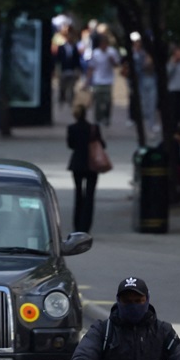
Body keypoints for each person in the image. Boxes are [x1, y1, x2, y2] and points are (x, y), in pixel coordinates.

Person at [67, 104, 103, 233]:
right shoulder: (94, 128)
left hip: (77, 164)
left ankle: (77, 225)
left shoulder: (72, 128)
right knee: (90, 195)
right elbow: (102, 144)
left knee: (78, 194)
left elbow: (70, 145)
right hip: (92, 164)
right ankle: (86, 226)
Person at [84, 33, 120, 127]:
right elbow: (91, 67)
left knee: (108, 101)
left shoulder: (112, 52)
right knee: (98, 101)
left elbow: (116, 65)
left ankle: (106, 118)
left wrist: (112, 61)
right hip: (98, 80)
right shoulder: (96, 53)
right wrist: (88, 80)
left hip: (108, 80)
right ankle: (98, 119)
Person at [53, 23, 82, 109]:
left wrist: (78, 69)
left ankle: (70, 102)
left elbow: (77, 59)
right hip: (63, 69)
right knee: (62, 87)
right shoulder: (61, 47)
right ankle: (61, 101)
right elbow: (57, 59)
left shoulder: (74, 47)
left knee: (71, 87)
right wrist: (56, 70)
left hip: (72, 69)